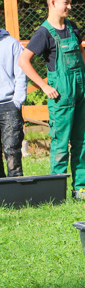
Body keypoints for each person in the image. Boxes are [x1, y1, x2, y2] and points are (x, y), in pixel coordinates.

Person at [19, 0, 85, 199]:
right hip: (61, 95)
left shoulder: (72, 27)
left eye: (70, 2)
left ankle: (80, 187)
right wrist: (44, 86)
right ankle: (58, 191)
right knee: (61, 142)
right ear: (53, 3)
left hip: (81, 90)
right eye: (66, 3)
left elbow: (81, 50)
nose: (70, 7)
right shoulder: (44, 32)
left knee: (81, 140)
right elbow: (23, 60)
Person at [0, 28, 27, 177]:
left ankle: (17, 192)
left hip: (9, 105)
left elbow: (21, 74)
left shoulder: (12, 44)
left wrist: (17, 101)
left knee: (12, 150)